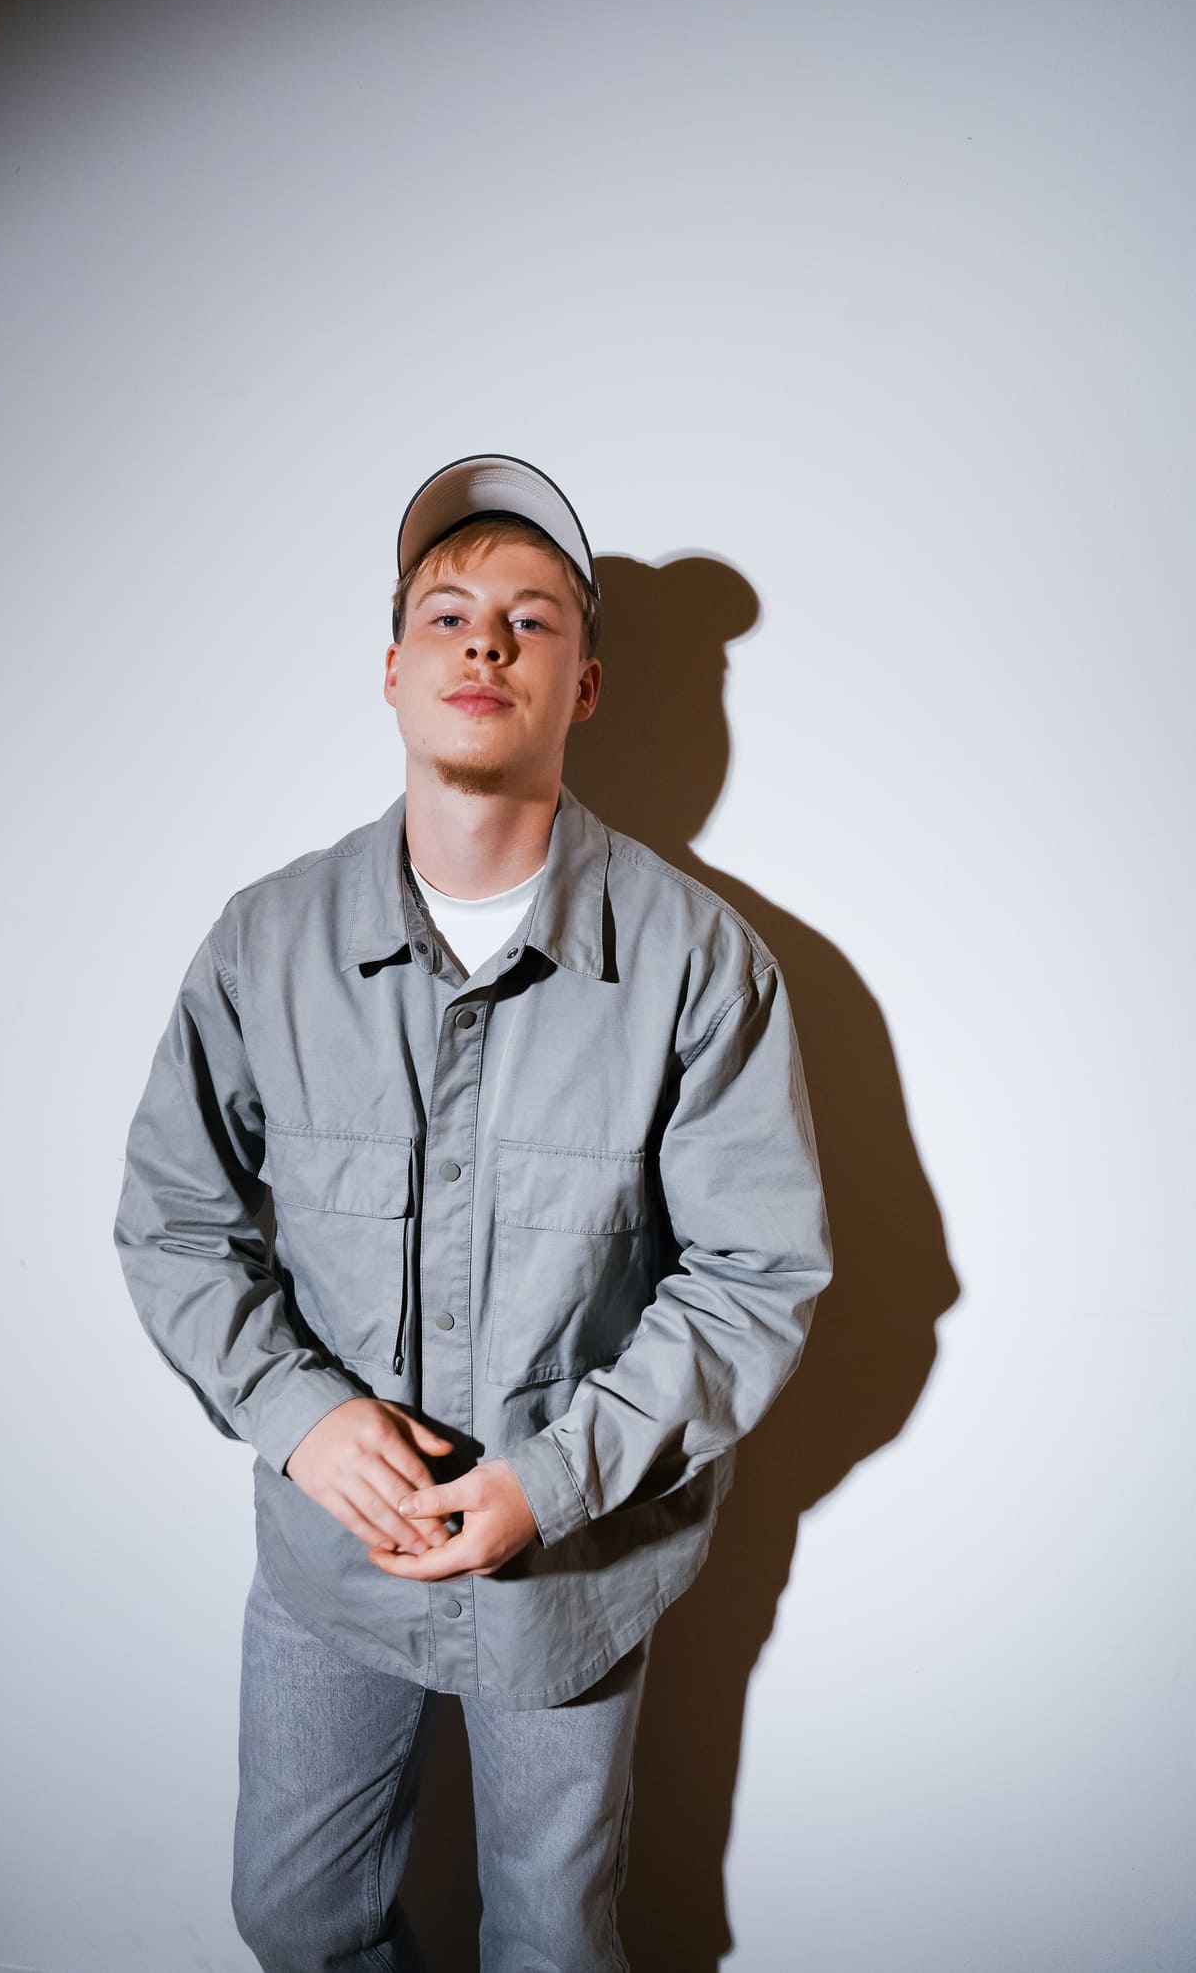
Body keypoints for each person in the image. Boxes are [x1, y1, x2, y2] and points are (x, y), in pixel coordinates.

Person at [113, 454, 832, 1973]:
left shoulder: (701, 964)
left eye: (532, 619)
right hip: (330, 1562)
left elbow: (755, 1274)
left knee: (554, 1941)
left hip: (571, 1572)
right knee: (294, 1916)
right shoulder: (263, 944)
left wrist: (552, 1483)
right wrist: (302, 1417)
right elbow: (178, 1220)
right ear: (393, 671)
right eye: (446, 615)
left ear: (583, 687)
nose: (486, 641)